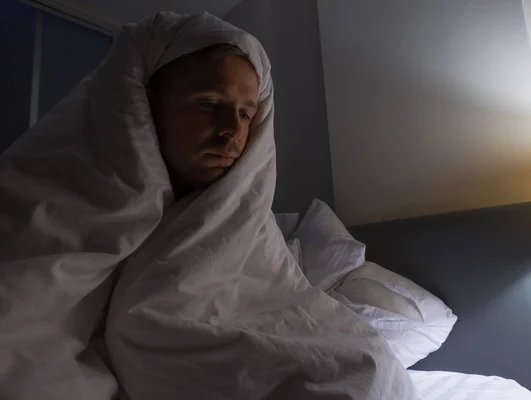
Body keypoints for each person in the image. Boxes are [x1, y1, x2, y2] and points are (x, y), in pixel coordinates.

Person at [0, 12, 418, 400]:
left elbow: (278, 310)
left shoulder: (244, 225)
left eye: (243, 114)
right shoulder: (49, 198)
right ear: (145, 106)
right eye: (207, 104)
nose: (230, 132)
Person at [147, 43, 259, 198]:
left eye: (245, 115)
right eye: (210, 105)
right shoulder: (103, 211)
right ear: (151, 107)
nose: (234, 130)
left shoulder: (258, 222)